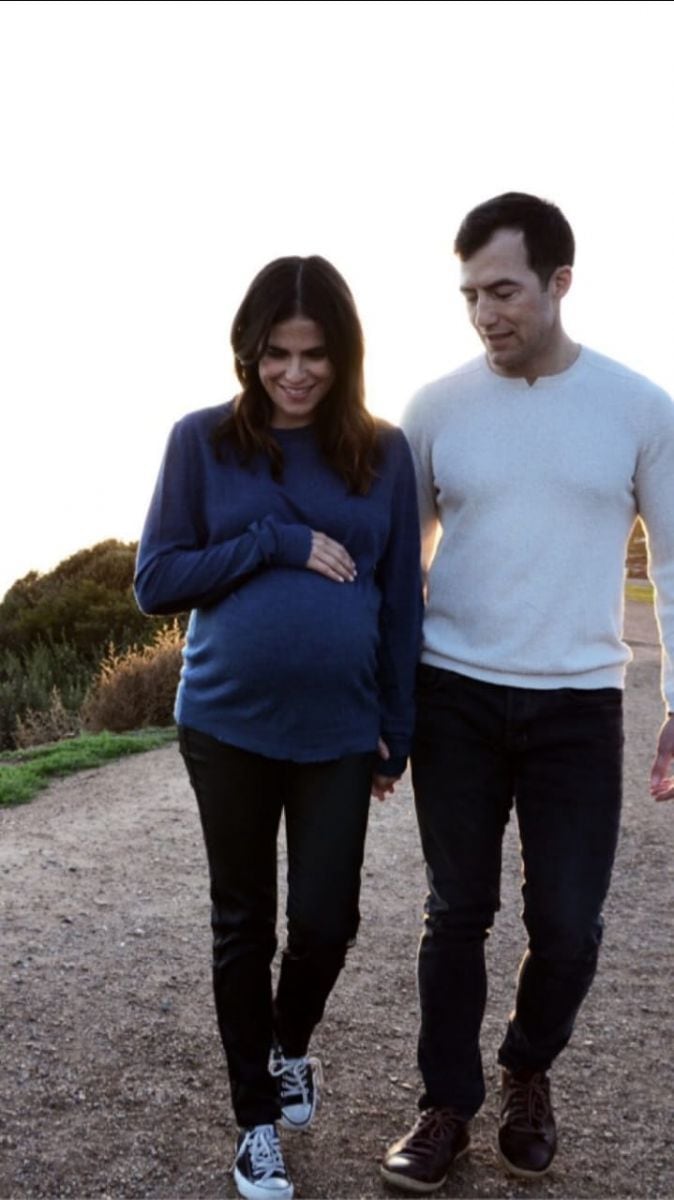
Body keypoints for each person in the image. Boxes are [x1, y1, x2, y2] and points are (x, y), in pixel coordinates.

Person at [381, 192, 674, 1192]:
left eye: (501, 290)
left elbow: (672, 564)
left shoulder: (639, 409)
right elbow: (395, 569)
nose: (483, 313)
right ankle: (443, 1106)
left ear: (557, 283)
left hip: (576, 706)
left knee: (568, 926)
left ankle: (525, 1069)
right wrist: (382, 708)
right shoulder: (434, 408)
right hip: (453, 692)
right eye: (467, 295)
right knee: (453, 911)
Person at [134, 255, 422, 1200]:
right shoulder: (201, 442)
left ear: (345, 355)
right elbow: (155, 582)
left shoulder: (382, 453)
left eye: (315, 355)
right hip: (225, 723)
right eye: (276, 354)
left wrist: (397, 722)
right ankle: (254, 1120)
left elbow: (398, 601)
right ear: (249, 353)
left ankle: (288, 1047)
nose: (295, 373)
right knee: (241, 923)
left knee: (328, 923)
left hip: (339, 729)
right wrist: (277, 542)